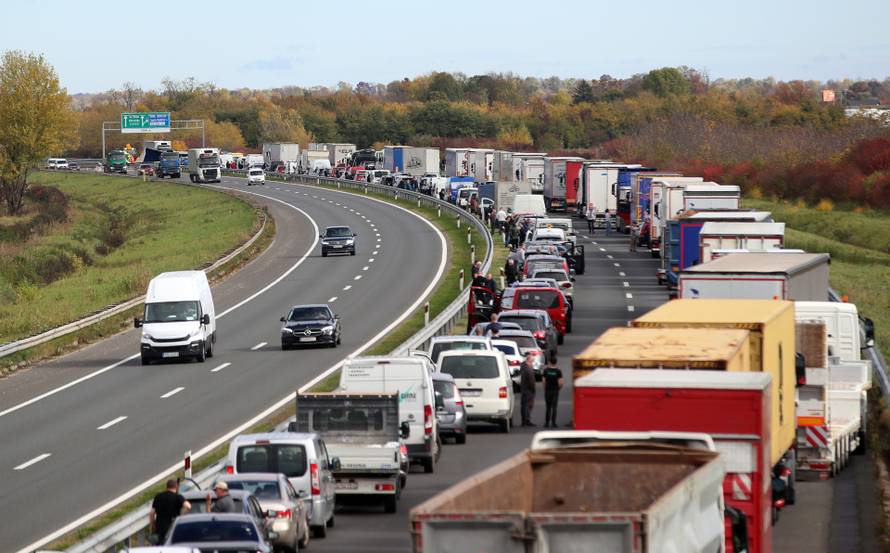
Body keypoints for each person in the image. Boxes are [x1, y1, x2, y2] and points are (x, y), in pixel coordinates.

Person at [150, 479, 191, 543]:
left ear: (167, 487)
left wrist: (153, 526)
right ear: (176, 487)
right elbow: (188, 506)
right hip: (173, 527)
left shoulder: (158, 496)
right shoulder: (178, 497)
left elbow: (152, 513)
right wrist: (180, 517)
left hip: (160, 528)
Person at [542, 355, 564, 428]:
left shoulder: (546, 370)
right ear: (556, 362)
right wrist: (558, 388)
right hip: (555, 391)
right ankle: (554, 423)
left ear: (549, 362)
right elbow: (561, 382)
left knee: (548, 407)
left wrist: (545, 388)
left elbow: (544, 381)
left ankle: (547, 423)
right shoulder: (558, 371)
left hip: (548, 390)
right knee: (554, 407)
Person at [519, 351, 537, 427]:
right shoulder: (529, 369)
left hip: (523, 388)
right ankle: (527, 420)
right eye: (532, 361)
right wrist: (533, 389)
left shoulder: (523, 366)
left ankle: (523, 420)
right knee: (528, 405)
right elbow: (531, 381)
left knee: (523, 405)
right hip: (528, 389)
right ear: (530, 361)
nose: (533, 363)